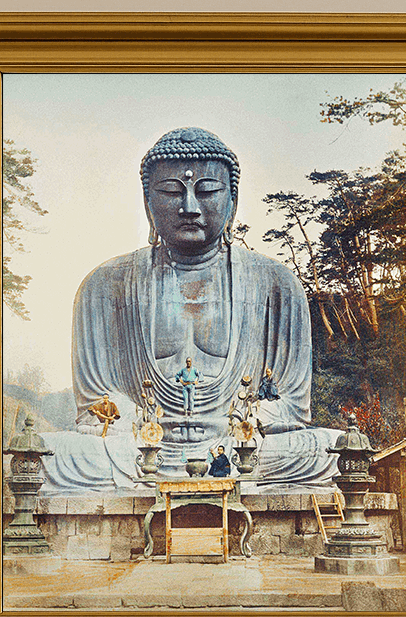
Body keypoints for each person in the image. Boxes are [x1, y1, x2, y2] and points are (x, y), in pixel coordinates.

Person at [38, 127, 340, 492]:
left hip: (242, 446)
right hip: (138, 450)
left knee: (330, 451)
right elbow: (95, 406)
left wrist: (243, 425)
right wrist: (142, 428)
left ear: (233, 199)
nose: (190, 208)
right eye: (170, 192)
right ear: (148, 201)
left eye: (208, 191)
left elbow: (293, 406)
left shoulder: (276, 283)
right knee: (49, 455)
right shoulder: (104, 286)